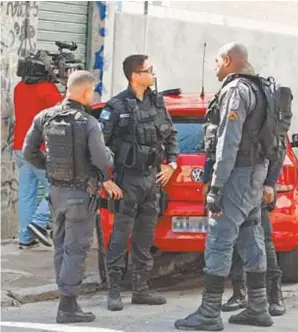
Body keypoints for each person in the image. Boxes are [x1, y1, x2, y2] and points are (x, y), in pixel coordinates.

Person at [174, 42, 273, 331]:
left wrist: (215, 186)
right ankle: (258, 308)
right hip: (254, 174)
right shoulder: (261, 88)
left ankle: (209, 314)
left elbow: (227, 143)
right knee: (250, 235)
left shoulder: (235, 91)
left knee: (219, 240)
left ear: (228, 60)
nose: (214, 65)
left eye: (217, 60)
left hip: (236, 176)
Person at [22, 70, 122, 324]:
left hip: (56, 192)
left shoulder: (45, 116)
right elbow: (101, 160)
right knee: (76, 249)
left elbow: (29, 152)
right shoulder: (88, 123)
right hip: (80, 193)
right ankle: (68, 307)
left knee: (61, 247)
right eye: (93, 91)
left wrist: (51, 167)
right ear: (86, 92)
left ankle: (66, 299)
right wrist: (109, 157)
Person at [100, 54, 178, 311]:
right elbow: (100, 145)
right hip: (127, 182)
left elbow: (170, 136)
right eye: (148, 70)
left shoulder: (157, 103)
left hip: (152, 180)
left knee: (145, 238)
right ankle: (113, 291)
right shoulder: (116, 106)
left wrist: (172, 164)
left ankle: (141, 289)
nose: (153, 74)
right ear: (135, 75)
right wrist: (105, 180)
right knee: (120, 237)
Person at [221, 146, 287, 316]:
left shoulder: (266, 118)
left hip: (257, 184)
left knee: (263, 239)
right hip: (232, 185)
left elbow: (278, 148)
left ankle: (274, 295)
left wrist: (270, 183)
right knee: (235, 238)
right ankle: (239, 292)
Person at [13, 77, 62, 249]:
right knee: (59, 187)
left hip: (20, 146)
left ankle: (26, 238)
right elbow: (62, 115)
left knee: (27, 194)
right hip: (40, 149)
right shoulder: (47, 88)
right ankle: (39, 222)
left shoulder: (19, 86)